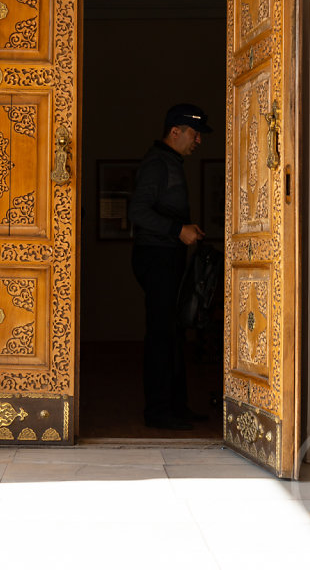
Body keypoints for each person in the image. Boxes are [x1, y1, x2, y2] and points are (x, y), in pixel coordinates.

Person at [129, 103, 212, 430]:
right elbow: (137, 211)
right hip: (156, 256)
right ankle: (158, 412)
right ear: (175, 132)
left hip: (167, 255)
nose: (198, 141)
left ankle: (176, 407)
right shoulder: (156, 163)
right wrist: (178, 230)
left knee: (174, 333)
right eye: (195, 134)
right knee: (162, 334)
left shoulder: (170, 162)